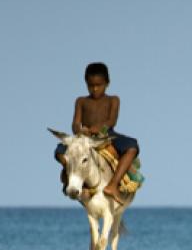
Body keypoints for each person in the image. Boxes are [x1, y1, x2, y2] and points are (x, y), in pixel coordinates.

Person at [55, 62, 142, 204]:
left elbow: (111, 121)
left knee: (132, 146)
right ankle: (70, 176)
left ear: (107, 83)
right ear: (86, 84)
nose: (95, 89)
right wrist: (80, 130)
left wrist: (95, 129)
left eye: (98, 85)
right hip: (85, 138)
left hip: (106, 135)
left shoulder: (113, 99)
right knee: (59, 150)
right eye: (90, 86)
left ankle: (113, 185)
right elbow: (75, 123)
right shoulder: (81, 101)